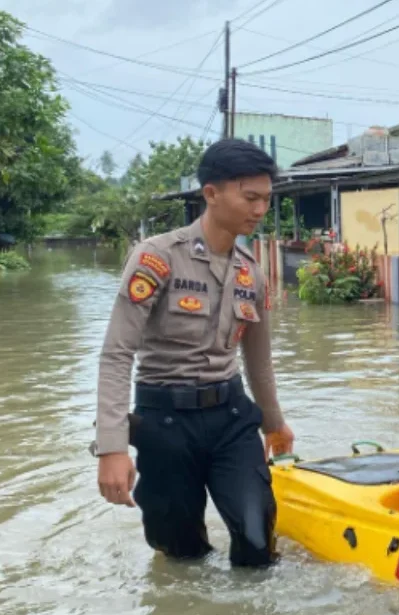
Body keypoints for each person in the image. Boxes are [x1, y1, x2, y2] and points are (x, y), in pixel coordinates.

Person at [93, 138, 294, 568]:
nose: (260, 210)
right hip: (166, 424)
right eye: (250, 197)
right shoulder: (157, 258)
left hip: (231, 419)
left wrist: (274, 424)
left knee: (258, 543)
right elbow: (116, 353)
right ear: (211, 193)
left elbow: (258, 361)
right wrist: (112, 447)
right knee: (182, 555)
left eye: (266, 200)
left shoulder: (251, 273)